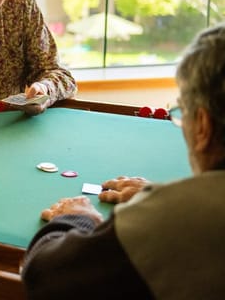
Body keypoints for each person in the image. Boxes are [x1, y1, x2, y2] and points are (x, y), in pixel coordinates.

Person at [20, 25, 225, 299]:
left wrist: (78, 221)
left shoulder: (171, 216)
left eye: (182, 112)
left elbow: (43, 277)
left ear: (203, 126)